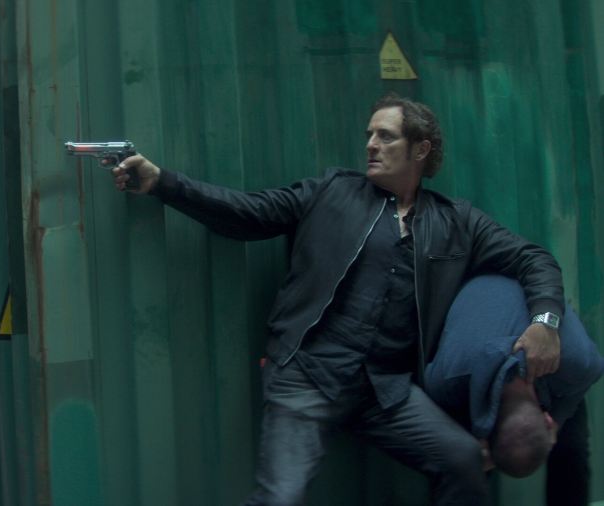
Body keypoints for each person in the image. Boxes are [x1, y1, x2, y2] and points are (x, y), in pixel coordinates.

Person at [110, 93, 564, 505]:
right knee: (281, 498)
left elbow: (533, 258)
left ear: (420, 149)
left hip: (385, 391)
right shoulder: (331, 192)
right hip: (307, 377)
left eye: (385, 136)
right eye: (369, 135)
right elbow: (248, 213)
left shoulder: (455, 221)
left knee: (463, 460)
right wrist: (162, 182)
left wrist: (545, 321)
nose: (371, 145)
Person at [425, 275, 603, 503]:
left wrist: (559, 421)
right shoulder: (448, 379)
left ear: (548, 419)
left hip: (531, 310)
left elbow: (581, 385)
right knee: (466, 460)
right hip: (479, 310)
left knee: (570, 448)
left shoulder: (576, 360)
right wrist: (470, 452)